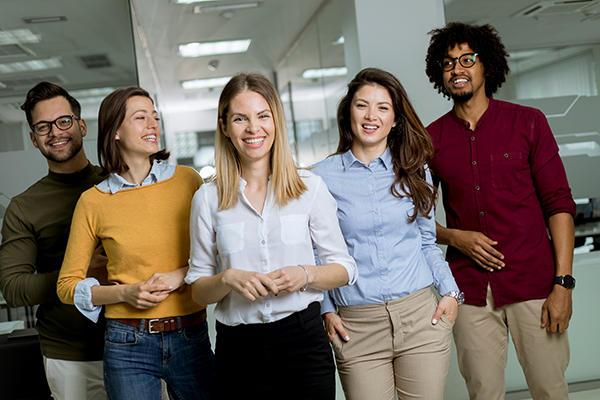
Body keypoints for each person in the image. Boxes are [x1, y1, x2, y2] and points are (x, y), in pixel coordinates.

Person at [425, 22, 576, 400]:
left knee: (550, 390)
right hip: (470, 291)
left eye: (466, 59)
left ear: (486, 66)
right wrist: (453, 236)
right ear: (439, 74)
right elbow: (415, 215)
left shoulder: (528, 123)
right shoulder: (431, 139)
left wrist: (563, 284)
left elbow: (559, 204)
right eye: (448, 63)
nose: (457, 69)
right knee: (483, 392)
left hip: (533, 284)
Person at [185, 73, 358, 400]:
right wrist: (229, 278)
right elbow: (198, 291)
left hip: (304, 342)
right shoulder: (207, 199)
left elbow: (345, 268)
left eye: (263, 116)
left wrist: (304, 275)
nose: (253, 128)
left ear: (276, 121)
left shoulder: (309, 188)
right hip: (239, 350)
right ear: (224, 127)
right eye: (240, 119)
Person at [56, 87, 217, 400]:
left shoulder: (189, 182)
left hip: (191, 334)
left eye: (154, 117)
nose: (153, 124)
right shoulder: (93, 201)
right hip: (126, 342)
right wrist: (125, 293)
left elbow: (218, 255)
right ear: (115, 130)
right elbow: (66, 285)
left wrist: (181, 274)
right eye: (141, 118)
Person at [311, 67, 462, 400]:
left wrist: (451, 293)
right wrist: (326, 309)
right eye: (362, 105)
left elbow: (426, 242)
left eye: (382, 107)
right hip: (356, 326)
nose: (371, 115)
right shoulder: (320, 178)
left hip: (421, 317)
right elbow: (315, 255)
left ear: (395, 119)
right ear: (348, 112)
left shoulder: (414, 168)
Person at [0, 82, 107, 399]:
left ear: (81, 125)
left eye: (63, 121)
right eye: (43, 127)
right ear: (33, 139)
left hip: (139, 344)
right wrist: (78, 274)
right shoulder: (25, 206)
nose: (55, 132)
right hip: (71, 357)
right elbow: (14, 287)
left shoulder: (119, 184)